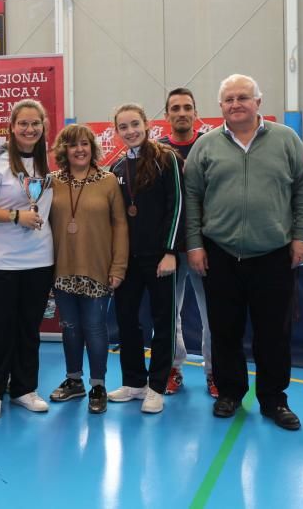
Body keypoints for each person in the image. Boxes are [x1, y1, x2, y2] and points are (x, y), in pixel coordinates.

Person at [185, 74, 303, 431]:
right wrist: (194, 244)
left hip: (274, 254)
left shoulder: (286, 140)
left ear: (258, 102)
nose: (236, 104)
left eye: (244, 97)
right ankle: (230, 392)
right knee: (224, 330)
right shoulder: (206, 146)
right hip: (220, 254)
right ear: (221, 107)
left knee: (273, 333)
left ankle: (274, 400)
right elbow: (192, 197)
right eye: (229, 99)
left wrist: (302, 236)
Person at [0, 100, 54, 419]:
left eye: (35, 123)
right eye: (23, 123)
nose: (29, 129)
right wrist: (13, 216)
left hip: (39, 259)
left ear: (43, 126)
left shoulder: (51, 161)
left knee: (29, 328)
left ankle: (24, 388)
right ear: (12, 126)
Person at [106, 103, 183, 414]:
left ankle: (157, 386)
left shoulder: (167, 159)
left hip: (159, 258)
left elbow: (177, 205)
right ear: (117, 132)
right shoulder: (117, 167)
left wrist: (170, 251)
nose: (130, 131)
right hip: (129, 259)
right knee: (127, 320)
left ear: (147, 124)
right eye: (123, 127)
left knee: (163, 321)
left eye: (134, 124)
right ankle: (134, 382)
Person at [47, 124, 128, 414]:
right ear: (64, 151)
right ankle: (73, 381)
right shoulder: (51, 181)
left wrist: (118, 265)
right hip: (62, 269)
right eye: (72, 145)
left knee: (94, 328)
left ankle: (98, 385)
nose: (79, 149)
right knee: (69, 328)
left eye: (84, 144)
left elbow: (120, 224)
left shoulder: (107, 181)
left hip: (97, 268)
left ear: (92, 148)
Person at [159, 87, 215, 397]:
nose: (181, 112)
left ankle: (214, 372)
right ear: (166, 115)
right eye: (175, 108)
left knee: (214, 314)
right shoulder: (157, 150)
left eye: (187, 107)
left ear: (195, 113)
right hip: (170, 250)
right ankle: (172, 368)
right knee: (168, 313)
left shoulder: (210, 146)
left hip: (206, 246)